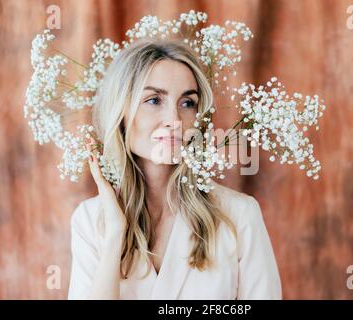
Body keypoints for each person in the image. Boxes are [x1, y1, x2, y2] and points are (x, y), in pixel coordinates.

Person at [67, 38, 282, 299]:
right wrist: (114, 235)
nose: (174, 120)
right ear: (120, 112)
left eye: (187, 103)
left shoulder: (239, 215)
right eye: (154, 100)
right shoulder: (91, 221)